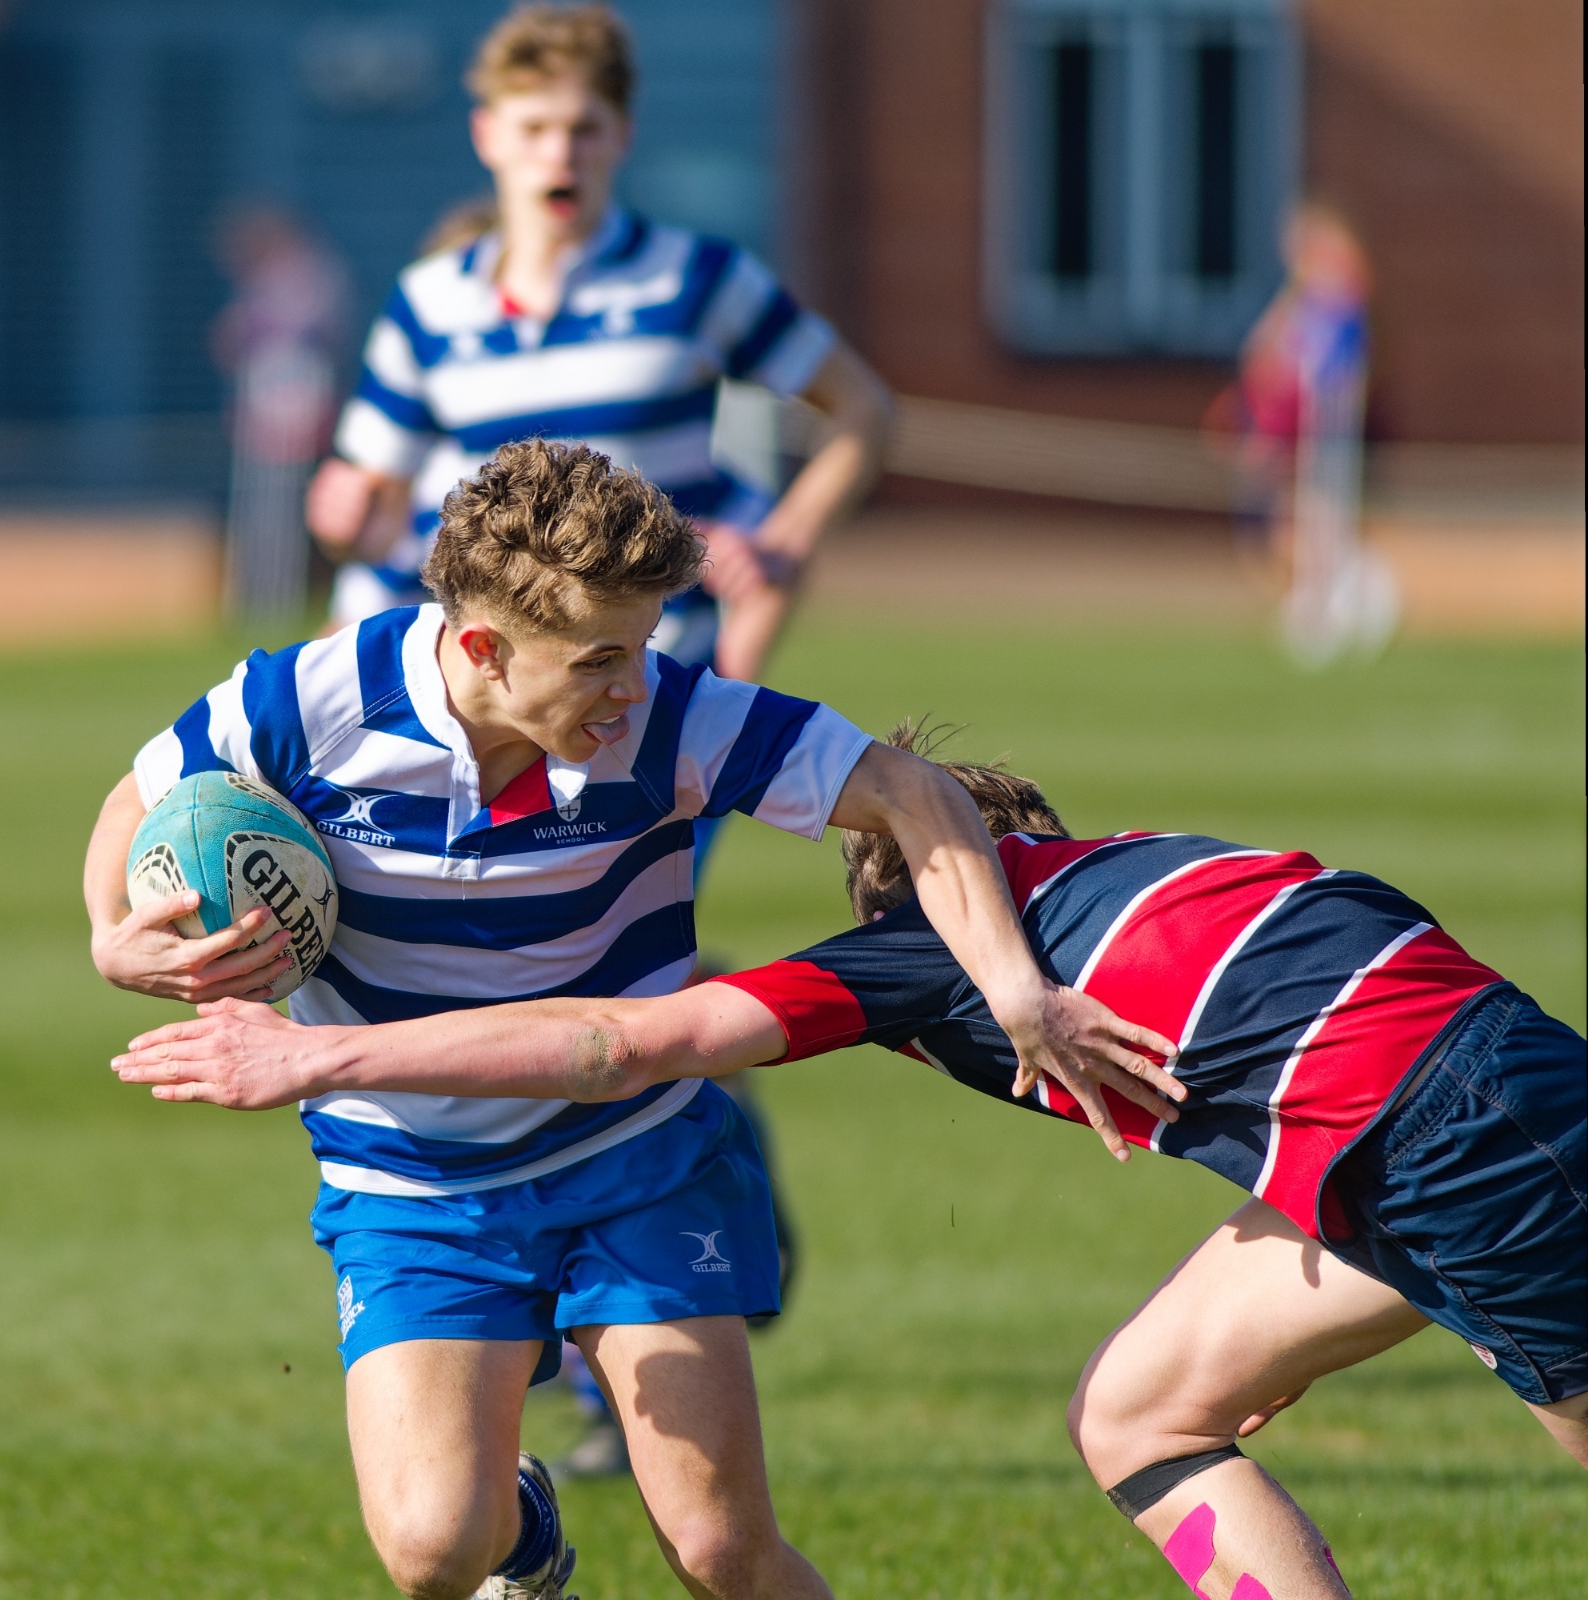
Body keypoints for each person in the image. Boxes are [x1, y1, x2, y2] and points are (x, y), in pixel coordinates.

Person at [115, 728, 1587, 1599]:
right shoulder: (1154, 860)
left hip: (1458, 1153)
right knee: (1144, 1411)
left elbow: (633, 1043)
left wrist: (321, 1056)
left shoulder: (921, 952)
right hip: (1444, 1116)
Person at [85, 445, 1172, 1600]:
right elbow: (143, 797)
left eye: (644, 647)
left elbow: (913, 791)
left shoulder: (669, 717)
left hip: (636, 1155)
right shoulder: (310, 702)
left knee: (721, 1550)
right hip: (412, 1179)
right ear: (483, 648)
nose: (631, 686)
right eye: (599, 659)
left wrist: (1016, 990)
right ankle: (525, 1535)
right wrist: (113, 934)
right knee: (434, 1552)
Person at [307, 1, 889, 692]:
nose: (559, 154)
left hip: (653, 687)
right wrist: (340, 520)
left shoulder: (699, 278)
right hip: (496, 697)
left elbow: (862, 409)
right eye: (534, 129)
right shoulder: (426, 303)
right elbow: (378, 527)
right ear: (487, 135)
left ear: (623, 134)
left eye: (583, 129)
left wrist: (784, 543)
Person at [1204, 202, 1397, 665]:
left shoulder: (1336, 292)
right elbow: (1266, 353)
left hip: (1326, 418)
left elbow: (1338, 359)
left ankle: (1348, 596)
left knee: (1322, 510)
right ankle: (1328, 597)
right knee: (1298, 517)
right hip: (1292, 424)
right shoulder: (1302, 299)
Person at [213, 205, 347, 619]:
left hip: (301, 415)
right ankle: (256, 596)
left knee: (289, 514)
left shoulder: (308, 279)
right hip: (264, 415)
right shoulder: (261, 288)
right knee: (261, 513)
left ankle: (283, 596)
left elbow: (319, 339)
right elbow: (228, 342)